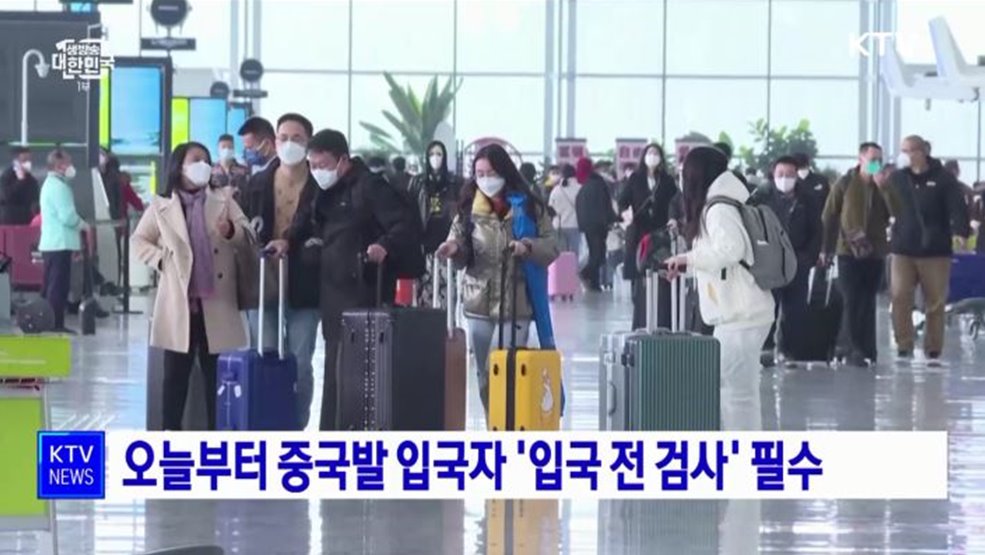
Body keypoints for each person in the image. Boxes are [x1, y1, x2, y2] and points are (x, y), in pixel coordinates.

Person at [285, 129, 417, 431]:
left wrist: (384, 245)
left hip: (364, 292)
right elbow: (306, 223)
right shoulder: (322, 190)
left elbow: (403, 225)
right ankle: (332, 435)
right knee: (335, 371)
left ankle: (357, 435)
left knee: (360, 372)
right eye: (312, 165)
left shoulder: (369, 186)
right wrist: (290, 242)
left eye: (323, 164)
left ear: (343, 160)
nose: (317, 171)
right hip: (332, 291)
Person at [131, 141, 253, 430]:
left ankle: (216, 439)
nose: (203, 165)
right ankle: (169, 438)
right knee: (174, 379)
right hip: (180, 305)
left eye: (206, 160)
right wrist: (162, 260)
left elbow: (248, 234)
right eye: (196, 159)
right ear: (179, 166)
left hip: (218, 303)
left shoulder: (224, 199)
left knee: (218, 380)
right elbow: (139, 240)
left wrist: (230, 230)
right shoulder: (161, 205)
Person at [436, 143, 559, 415]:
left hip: (517, 303)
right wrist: (454, 248)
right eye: (479, 174)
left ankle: (510, 425)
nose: (485, 180)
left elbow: (552, 246)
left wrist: (528, 247)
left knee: (507, 369)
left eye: (490, 173)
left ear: (504, 171)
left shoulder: (529, 206)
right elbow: (459, 242)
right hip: (478, 302)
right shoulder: (468, 209)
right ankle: (495, 423)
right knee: (485, 373)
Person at [663, 146, 775, 431]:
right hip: (741, 311)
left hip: (741, 315)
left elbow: (731, 250)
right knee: (739, 392)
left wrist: (688, 259)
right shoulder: (726, 201)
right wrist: (689, 264)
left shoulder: (719, 208)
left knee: (735, 394)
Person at [241, 113, 322, 428]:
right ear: (274, 142)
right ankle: (268, 424)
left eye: (297, 138)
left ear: (308, 143)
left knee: (300, 363)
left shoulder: (320, 185)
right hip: (263, 285)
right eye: (283, 137)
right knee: (265, 357)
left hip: (304, 287)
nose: (289, 144)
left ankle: (296, 426)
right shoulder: (256, 184)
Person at [884, 136, 971, 360]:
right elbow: (877, 185)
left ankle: (933, 347)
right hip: (903, 248)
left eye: (908, 150)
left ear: (921, 152)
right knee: (899, 296)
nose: (904, 155)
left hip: (935, 251)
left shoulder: (943, 179)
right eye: (902, 150)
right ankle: (904, 343)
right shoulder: (897, 177)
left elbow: (957, 207)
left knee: (935, 301)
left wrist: (960, 232)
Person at [821, 142, 893, 367]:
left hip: (875, 251)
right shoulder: (845, 183)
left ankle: (867, 348)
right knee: (852, 299)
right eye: (872, 160)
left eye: (879, 160)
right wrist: (826, 248)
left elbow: (897, 212)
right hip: (848, 251)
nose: (876, 164)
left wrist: (885, 189)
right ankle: (850, 348)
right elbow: (829, 215)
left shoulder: (883, 186)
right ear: (861, 159)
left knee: (868, 301)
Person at [752, 156, 822, 362]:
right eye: (780, 174)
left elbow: (817, 231)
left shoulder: (808, 200)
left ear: (796, 176)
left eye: (790, 174)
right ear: (773, 175)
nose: (785, 179)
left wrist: (809, 258)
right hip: (770, 263)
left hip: (798, 262)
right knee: (768, 307)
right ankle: (766, 348)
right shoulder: (761, 198)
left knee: (795, 310)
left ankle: (789, 351)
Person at [618, 142, 679, 330]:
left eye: (656, 153)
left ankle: (661, 322)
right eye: (649, 153)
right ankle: (640, 322)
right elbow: (622, 201)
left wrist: (673, 219)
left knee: (661, 277)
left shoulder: (667, 181)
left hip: (659, 234)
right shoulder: (635, 179)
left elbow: (676, 202)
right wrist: (625, 214)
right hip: (638, 232)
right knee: (639, 278)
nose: (652, 156)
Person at [406, 140, 461, 307]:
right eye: (431, 154)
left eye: (439, 154)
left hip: (446, 243)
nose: (435, 158)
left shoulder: (454, 183)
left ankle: (446, 320)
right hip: (424, 245)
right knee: (424, 293)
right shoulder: (418, 182)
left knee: (447, 294)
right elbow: (410, 210)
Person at [38, 148, 88, 333]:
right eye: (68, 163)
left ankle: (48, 321)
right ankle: (55, 324)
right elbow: (67, 216)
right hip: (59, 243)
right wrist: (83, 225)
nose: (71, 167)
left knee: (51, 285)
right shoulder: (59, 187)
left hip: (53, 243)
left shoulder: (52, 184)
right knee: (58, 287)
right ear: (59, 166)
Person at [575, 157, 618, 292]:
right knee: (598, 255)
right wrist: (612, 219)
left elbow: (580, 207)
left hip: (589, 226)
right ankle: (586, 274)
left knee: (595, 254)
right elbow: (605, 204)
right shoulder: (599, 184)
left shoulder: (585, 186)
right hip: (599, 226)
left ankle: (594, 282)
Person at [0, 146, 40, 225]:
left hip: (27, 220)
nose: (28, 163)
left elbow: (35, 198)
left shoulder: (31, 179)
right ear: (16, 162)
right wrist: (20, 181)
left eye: (29, 160)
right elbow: (5, 196)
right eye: (24, 160)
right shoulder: (7, 176)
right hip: (9, 220)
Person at [548, 163, 581, 255]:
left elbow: (550, 207)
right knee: (574, 253)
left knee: (561, 254)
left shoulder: (556, 190)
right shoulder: (580, 188)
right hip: (574, 224)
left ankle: (563, 265)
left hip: (558, 225)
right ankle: (573, 265)